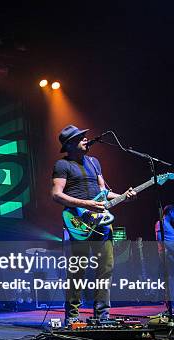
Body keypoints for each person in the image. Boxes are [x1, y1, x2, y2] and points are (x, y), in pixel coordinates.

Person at [51, 124, 136, 323]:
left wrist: (125, 196)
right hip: (78, 223)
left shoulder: (94, 162)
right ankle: (73, 317)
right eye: (81, 138)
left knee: (105, 270)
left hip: (102, 224)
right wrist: (86, 203)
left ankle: (103, 316)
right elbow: (56, 194)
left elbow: (104, 192)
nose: (85, 139)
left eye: (85, 137)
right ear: (70, 144)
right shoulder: (62, 165)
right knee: (77, 271)